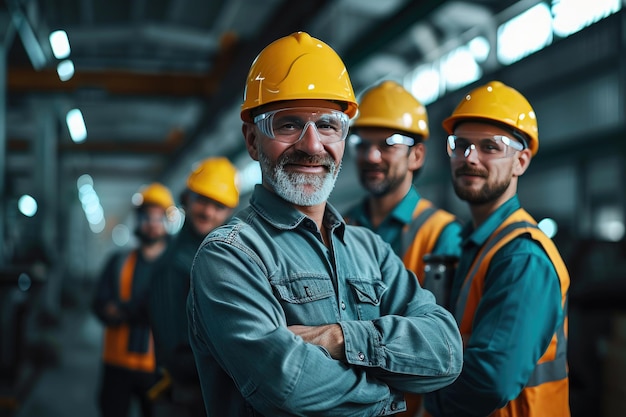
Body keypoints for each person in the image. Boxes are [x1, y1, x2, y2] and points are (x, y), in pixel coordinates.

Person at [187, 31, 463, 416]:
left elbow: (446, 351)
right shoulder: (230, 256)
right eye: (288, 125)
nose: (312, 145)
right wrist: (390, 395)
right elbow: (288, 387)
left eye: (328, 125)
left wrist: (339, 338)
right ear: (252, 140)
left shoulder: (369, 249)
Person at [423, 81, 570, 417]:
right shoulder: (476, 243)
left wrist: (417, 399)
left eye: (490, 147)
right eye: (460, 145)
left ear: (521, 161)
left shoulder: (522, 257)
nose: (469, 157)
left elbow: (490, 382)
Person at [344, 80, 463, 416]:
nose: (371, 155)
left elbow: (443, 344)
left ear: (418, 154)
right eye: (361, 142)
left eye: (389, 143)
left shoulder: (443, 234)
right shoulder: (340, 227)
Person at [148, 157, 239, 416]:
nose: (208, 212)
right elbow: (175, 352)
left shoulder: (220, 256)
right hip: (188, 399)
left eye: (219, 205)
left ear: (229, 211)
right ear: (187, 199)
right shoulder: (174, 265)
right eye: (202, 200)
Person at [92, 182, 174, 417]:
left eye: (158, 218)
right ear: (138, 220)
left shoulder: (176, 267)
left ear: (167, 222)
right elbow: (99, 303)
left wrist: (124, 310)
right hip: (117, 364)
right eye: (147, 217)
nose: (152, 225)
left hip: (159, 368)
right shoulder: (118, 262)